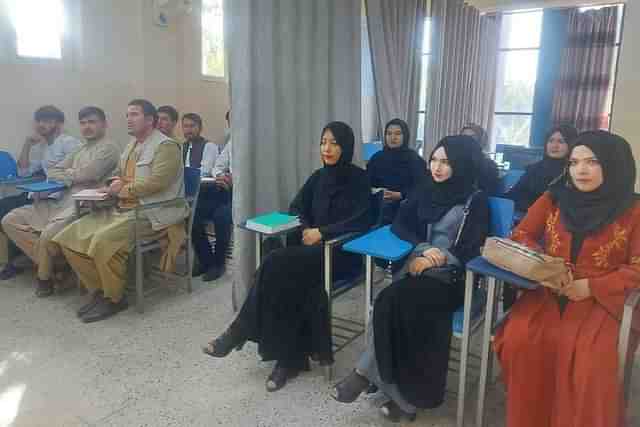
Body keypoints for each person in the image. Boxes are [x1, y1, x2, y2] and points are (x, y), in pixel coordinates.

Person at [202, 121, 371, 392]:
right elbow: (296, 207)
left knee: (273, 264)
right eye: (323, 142)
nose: (327, 148)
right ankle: (289, 359)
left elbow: (362, 221)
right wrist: (306, 228)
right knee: (288, 280)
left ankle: (240, 331)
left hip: (339, 254)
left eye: (334, 143)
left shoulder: (359, 180)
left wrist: (323, 232)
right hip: (308, 253)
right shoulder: (318, 177)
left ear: (346, 147)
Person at [331, 135, 489, 423]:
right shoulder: (425, 189)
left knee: (393, 303)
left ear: (462, 164)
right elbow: (402, 224)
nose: (437, 167)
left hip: (452, 280)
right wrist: (424, 249)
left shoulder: (475, 200)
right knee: (388, 302)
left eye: (446, 162)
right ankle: (399, 395)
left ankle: (364, 375)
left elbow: (472, 247)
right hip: (417, 269)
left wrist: (438, 257)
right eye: (435, 160)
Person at [494, 131, 640, 427]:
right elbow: (521, 235)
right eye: (574, 162)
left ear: (615, 164)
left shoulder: (635, 210)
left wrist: (591, 287)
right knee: (520, 340)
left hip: (606, 299)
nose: (580, 170)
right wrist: (546, 268)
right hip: (549, 287)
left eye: (592, 162)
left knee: (592, 360)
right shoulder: (554, 198)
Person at [53, 99, 187, 323]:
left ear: (150, 120)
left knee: (102, 242)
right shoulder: (131, 145)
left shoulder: (167, 146)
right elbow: (118, 172)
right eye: (127, 115)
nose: (128, 119)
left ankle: (115, 298)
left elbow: (157, 183)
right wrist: (114, 182)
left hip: (152, 212)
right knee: (67, 238)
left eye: (134, 114)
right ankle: (100, 290)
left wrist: (121, 189)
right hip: (123, 208)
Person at [1, 107, 120, 296]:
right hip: (61, 200)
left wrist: (68, 174)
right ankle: (59, 265)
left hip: (84, 204)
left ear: (104, 124)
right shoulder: (81, 148)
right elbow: (54, 172)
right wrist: (71, 175)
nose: (87, 127)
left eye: (92, 122)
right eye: (83, 123)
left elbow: (91, 174)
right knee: (9, 220)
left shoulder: (109, 147)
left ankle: (45, 278)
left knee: (48, 234)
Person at [0, 105, 80, 279]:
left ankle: (34, 262)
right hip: (41, 194)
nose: (41, 124)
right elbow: (23, 172)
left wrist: (56, 181)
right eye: (39, 121)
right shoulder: (43, 147)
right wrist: (27, 144)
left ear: (59, 124)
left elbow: (78, 170)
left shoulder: (68, 142)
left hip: (60, 197)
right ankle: (55, 263)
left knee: (6, 209)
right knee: (4, 208)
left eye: (47, 120)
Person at [191, 111, 232, 281]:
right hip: (226, 189)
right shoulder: (232, 143)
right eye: (231, 122)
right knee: (192, 214)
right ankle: (207, 260)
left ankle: (219, 263)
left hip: (244, 194)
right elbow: (218, 165)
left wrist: (234, 179)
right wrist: (220, 175)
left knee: (221, 216)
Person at [366, 118, 426, 224]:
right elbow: (367, 182)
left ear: (405, 136)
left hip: (405, 207)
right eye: (389, 134)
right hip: (378, 204)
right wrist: (377, 191)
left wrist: (400, 195)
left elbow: (421, 188)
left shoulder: (414, 159)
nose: (393, 137)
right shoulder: (377, 158)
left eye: (398, 134)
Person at [506, 124, 578, 212]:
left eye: (561, 141)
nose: (554, 146)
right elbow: (514, 194)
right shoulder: (534, 169)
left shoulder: (576, 171)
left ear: (571, 144)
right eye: (551, 141)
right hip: (528, 215)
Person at [459, 124, 500, 194]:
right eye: (463, 137)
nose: (466, 140)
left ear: (481, 141)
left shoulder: (490, 165)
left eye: (472, 137)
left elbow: (483, 191)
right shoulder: (452, 159)